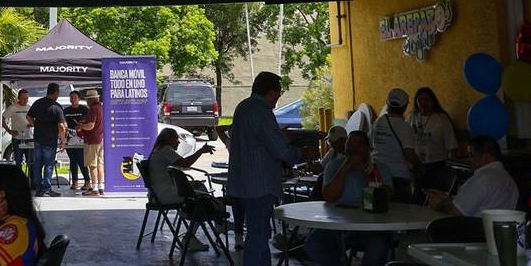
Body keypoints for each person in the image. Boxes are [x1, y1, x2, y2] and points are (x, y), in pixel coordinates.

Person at [226, 71, 299, 266]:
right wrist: (298, 155)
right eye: (279, 93)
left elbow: (254, 141)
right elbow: (279, 149)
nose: (278, 97)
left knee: (256, 234)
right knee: (258, 236)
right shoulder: (263, 112)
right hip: (260, 184)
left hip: (243, 182)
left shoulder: (243, 107)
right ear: (272, 92)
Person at [304, 130, 393, 266]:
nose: (354, 148)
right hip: (338, 222)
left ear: (368, 148)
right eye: (350, 144)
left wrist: (366, 174)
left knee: (379, 246)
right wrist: (345, 168)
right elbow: (330, 196)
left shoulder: (380, 168)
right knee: (314, 244)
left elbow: (386, 196)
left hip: (372, 224)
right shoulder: (334, 166)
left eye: (359, 145)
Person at [147, 127, 217, 252]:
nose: (178, 142)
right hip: (166, 195)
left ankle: (199, 229)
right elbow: (185, 164)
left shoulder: (159, 150)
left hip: (158, 194)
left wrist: (189, 184)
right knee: (201, 201)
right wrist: (200, 151)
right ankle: (194, 234)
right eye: (176, 138)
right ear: (168, 139)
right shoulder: (165, 150)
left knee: (199, 187)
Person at [425, 134, 518, 217]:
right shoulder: (510, 181)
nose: (468, 160)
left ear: (484, 157)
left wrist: (438, 204)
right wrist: (447, 198)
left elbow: (456, 212)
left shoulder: (482, 179)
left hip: (473, 232)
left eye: (471, 155)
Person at [371, 87, 420, 203]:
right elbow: (409, 154)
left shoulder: (378, 122)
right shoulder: (405, 127)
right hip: (398, 176)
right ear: (404, 107)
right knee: (401, 212)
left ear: (387, 104)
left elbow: (370, 144)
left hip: (377, 174)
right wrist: (419, 167)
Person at [408, 86, 459, 198]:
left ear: (433, 101)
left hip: (437, 165)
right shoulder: (412, 117)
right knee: (418, 197)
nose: (423, 103)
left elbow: (452, 146)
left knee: (434, 196)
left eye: (426, 99)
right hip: (417, 165)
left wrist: (452, 170)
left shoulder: (441, 119)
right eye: (420, 100)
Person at [26, 82, 67, 196]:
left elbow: (28, 116)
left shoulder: (37, 103)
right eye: (58, 92)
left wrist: (35, 125)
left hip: (38, 138)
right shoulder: (57, 107)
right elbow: (62, 126)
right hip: (50, 140)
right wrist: (63, 141)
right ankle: (47, 188)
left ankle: (38, 188)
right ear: (55, 92)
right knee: (48, 165)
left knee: (38, 164)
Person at [62, 90, 90, 191]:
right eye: (71, 97)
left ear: (79, 98)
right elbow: (62, 125)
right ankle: (75, 182)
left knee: (81, 160)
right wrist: (63, 138)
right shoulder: (66, 110)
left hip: (81, 137)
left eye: (74, 97)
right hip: (69, 137)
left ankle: (87, 181)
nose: (72, 99)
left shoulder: (84, 109)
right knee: (72, 160)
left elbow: (89, 123)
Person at [78, 89, 105, 196]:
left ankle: (94, 189)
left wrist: (81, 126)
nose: (87, 103)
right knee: (100, 164)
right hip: (101, 139)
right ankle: (101, 187)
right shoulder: (102, 107)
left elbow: (90, 126)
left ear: (91, 100)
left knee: (92, 165)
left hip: (92, 140)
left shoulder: (93, 109)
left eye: (87, 100)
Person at [3, 89, 33, 174]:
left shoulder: (29, 108)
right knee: (18, 161)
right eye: (23, 98)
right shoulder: (13, 107)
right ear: (18, 98)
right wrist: (9, 130)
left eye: (27, 98)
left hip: (29, 138)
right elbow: (2, 119)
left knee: (31, 162)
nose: (25, 100)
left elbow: (34, 120)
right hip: (17, 138)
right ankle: (19, 181)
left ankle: (32, 182)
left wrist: (32, 124)